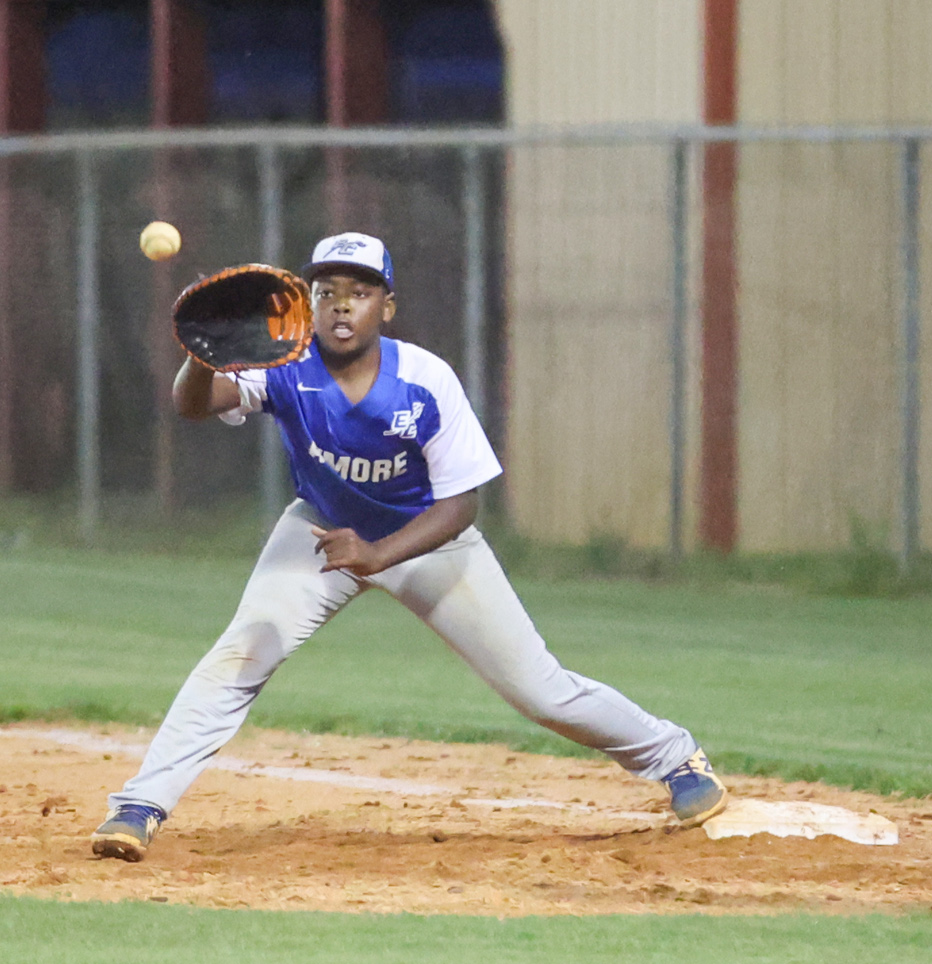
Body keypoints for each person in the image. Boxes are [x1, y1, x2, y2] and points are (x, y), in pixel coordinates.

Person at [92, 232, 728, 861]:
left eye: (361, 291)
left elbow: (462, 505)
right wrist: (204, 354)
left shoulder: (425, 380)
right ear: (307, 304)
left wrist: (378, 555)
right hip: (321, 529)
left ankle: (675, 758)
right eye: (326, 292)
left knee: (541, 691)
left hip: (429, 541)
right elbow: (195, 405)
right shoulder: (286, 363)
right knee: (240, 656)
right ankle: (139, 805)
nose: (342, 304)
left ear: (387, 307)